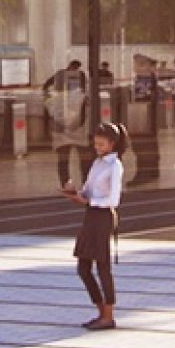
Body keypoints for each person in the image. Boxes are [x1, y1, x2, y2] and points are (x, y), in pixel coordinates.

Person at [62, 122, 127, 331]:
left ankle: (108, 316)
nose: (97, 148)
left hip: (103, 217)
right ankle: (100, 310)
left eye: (101, 144)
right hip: (91, 216)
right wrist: (75, 193)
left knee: (102, 266)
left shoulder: (115, 166)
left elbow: (114, 199)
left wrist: (89, 201)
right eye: (95, 144)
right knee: (83, 268)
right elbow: (89, 190)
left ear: (112, 143)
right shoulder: (97, 163)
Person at [46, 88, 92, 188]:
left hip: (63, 132)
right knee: (84, 161)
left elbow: (51, 113)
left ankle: (66, 184)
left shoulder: (55, 96)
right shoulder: (83, 96)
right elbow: (85, 115)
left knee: (64, 161)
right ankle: (85, 183)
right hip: (79, 131)